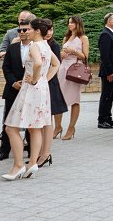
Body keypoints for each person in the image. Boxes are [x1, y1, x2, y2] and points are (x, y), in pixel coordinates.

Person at [1, 17, 54, 180]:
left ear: (37, 31)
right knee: (35, 127)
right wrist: (44, 78)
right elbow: (56, 64)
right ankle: (32, 163)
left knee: (11, 127)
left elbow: (37, 63)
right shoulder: (46, 45)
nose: (25, 32)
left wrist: (35, 78)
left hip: (31, 89)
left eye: (29, 29)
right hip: (42, 90)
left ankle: (18, 166)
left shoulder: (34, 46)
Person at [0, 17, 32, 163]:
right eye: (19, 30)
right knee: (8, 121)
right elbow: (6, 67)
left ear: (32, 30)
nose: (21, 32)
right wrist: (13, 82)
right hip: (13, 89)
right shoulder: (13, 47)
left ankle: (32, 150)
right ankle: (4, 150)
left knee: (30, 121)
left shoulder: (37, 47)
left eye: (25, 29)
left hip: (30, 89)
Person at [56, 15, 89, 140]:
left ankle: (71, 128)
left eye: (72, 23)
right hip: (63, 69)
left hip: (75, 70)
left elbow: (85, 57)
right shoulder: (66, 38)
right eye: (69, 22)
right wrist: (62, 54)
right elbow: (61, 55)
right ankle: (57, 127)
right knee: (58, 98)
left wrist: (73, 51)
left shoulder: (83, 38)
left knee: (75, 99)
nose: (69, 25)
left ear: (78, 24)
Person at [40, 21, 66, 164]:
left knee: (47, 118)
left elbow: (56, 64)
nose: (50, 32)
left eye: (51, 30)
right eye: (47, 30)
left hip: (49, 83)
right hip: (41, 83)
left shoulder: (54, 45)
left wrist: (45, 78)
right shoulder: (37, 44)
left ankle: (45, 151)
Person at [97, 12, 113, 128]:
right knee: (106, 95)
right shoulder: (105, 35)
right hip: (109, 71)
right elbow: (105, 56)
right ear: (108, 21)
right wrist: (110, 71)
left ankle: (108, 117)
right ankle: (102, 120)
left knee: (111, 96)